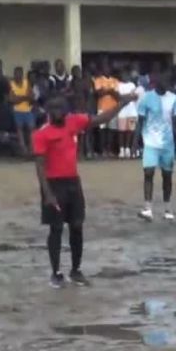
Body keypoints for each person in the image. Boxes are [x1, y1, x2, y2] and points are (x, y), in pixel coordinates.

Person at [34, 88, 133, 288]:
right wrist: (48, 194)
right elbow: (39, 167)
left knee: (77, 227)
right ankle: (56, 273)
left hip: (73, 183)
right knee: (56, 229)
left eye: (60, 108)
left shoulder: (74, 122)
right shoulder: (41, 134)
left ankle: (76, 270)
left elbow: (100, 119)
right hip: (54, 185)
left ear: (66, 110)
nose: (57, 112)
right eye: (53, 109)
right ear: (48, 111)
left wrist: (121, 104)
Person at [137, 72, 176, 222]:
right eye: (164, 81)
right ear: (157, 82)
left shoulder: (173, 98)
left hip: (167, 144)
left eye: (168, 82)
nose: (166, 84)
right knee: (148, 173)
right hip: (150, 142)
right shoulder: (146, 98)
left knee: (167, 176)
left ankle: (167, 208)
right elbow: (140, 121)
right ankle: (148, 208)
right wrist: (135, 142)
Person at [10, 66, 36, 157]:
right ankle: (23, 150)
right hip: (17, 110)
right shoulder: (11, 84)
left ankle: (31, 150)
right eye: (16, 73)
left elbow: (32, 96)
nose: (18, 75)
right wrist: (25, 97)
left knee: (31, 129)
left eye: (20, 73)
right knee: (19, 129)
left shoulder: (26, 82)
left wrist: (19, 98)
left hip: (27, 110)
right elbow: (12, 99)